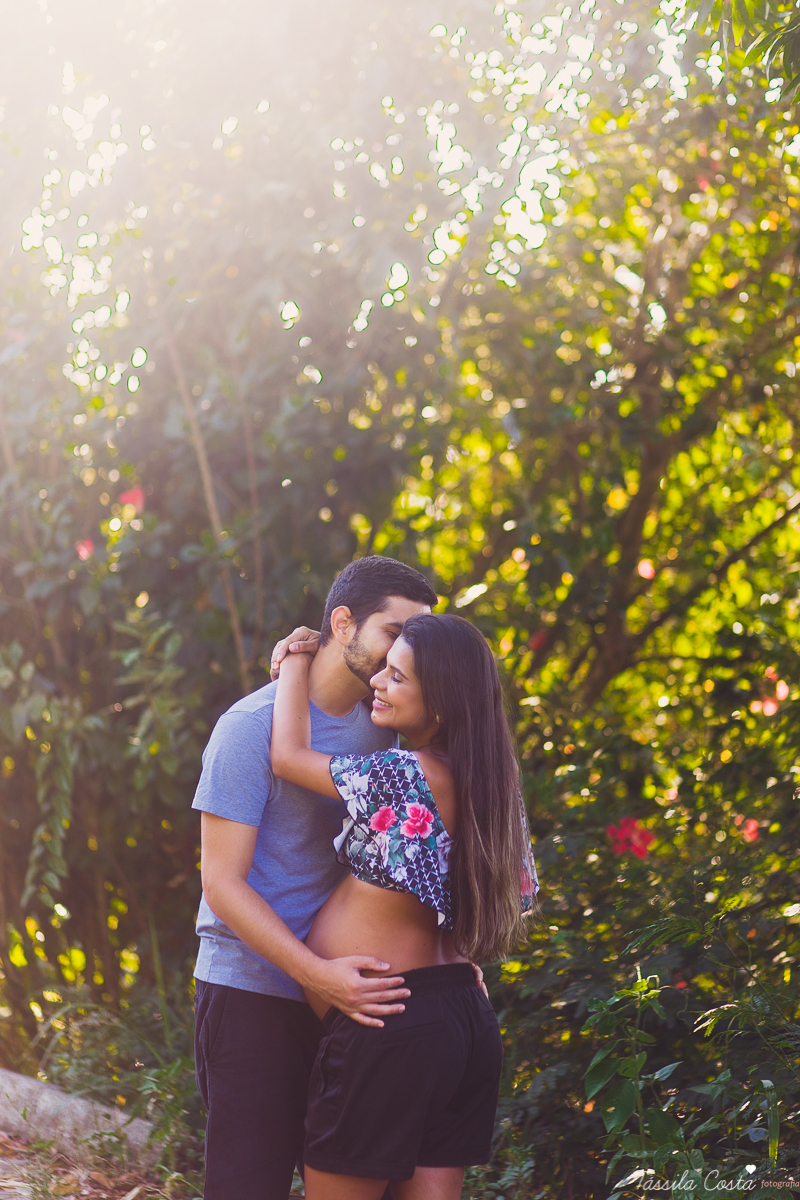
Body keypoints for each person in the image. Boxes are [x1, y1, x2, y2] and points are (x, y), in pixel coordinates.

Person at [192, 556, 439, 1200]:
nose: (402, 655)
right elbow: (222, 885)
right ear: (343, 623)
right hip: (256, 995)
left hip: (348, 998)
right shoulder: (248, 729)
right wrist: (316, 973)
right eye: (393, 633)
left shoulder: (386, 730)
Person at [271, 612, 538, 1200]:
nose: (377, 682)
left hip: (392, 1030)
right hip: (461, 1018)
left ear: (440, 703)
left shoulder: (405, 772)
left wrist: (292, 661)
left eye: (397, 677)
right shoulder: (495, 784)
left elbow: (287, 756)